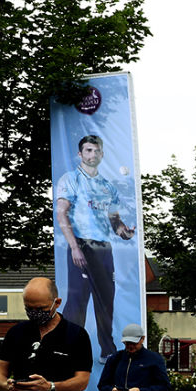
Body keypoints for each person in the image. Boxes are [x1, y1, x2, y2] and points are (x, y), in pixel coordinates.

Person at [56, 135, 135, 363]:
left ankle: (107, 350)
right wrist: (74, 247)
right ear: (80, 154)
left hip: (103, 248)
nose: (92, 154)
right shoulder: (71, 179)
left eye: (96, 150)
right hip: (81, 244)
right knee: (77, 301)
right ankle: (67, 351)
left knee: (106, 301)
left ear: (102, 154)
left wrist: (124, 232)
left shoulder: (108, 187)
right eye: (88, 150)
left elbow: (114, 221)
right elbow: (61, 213)